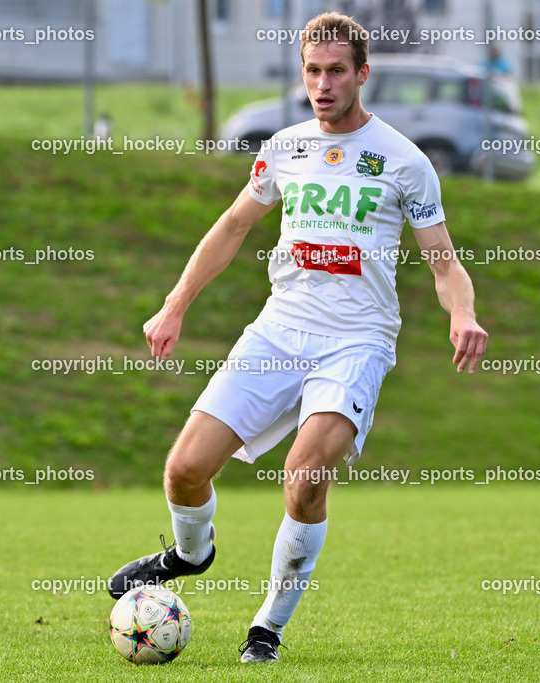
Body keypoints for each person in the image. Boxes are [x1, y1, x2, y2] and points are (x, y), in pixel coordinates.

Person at [107, 12, 487, 662]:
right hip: (280, 328)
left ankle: (267, 628)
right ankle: (190, 554)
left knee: (305, 476)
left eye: (337, 70)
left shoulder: (404, 160)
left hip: (356, 340)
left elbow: (444, 261)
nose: (323, 83)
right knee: (184, 470)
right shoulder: (283, 147)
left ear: (362, 74)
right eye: (312, 71)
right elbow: (231, 228)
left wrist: (462, 314)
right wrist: (174, 306)